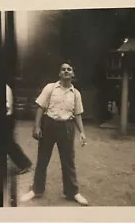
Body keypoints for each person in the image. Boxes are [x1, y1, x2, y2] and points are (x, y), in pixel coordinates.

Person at [20, 62, 88, 206]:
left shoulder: (76, 94)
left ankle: (72, 192)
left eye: (69, 69)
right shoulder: (50, 88)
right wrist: (37, 126)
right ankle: (36, 190)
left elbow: (77, 115)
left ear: (73, 74)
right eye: (63, 69)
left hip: (67, 127)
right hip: (49, 124)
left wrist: (82, 132)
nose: (66, 71)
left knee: (68, 160)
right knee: (43, 159)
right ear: (59, 73)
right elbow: (40, 107)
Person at [6, 84, 32, 174]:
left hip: (7, 118)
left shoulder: (6, 88)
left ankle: (24, 163)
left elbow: (7, 106)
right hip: (8, 117)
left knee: (8, 143)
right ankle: (24, 163)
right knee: (7, 143)